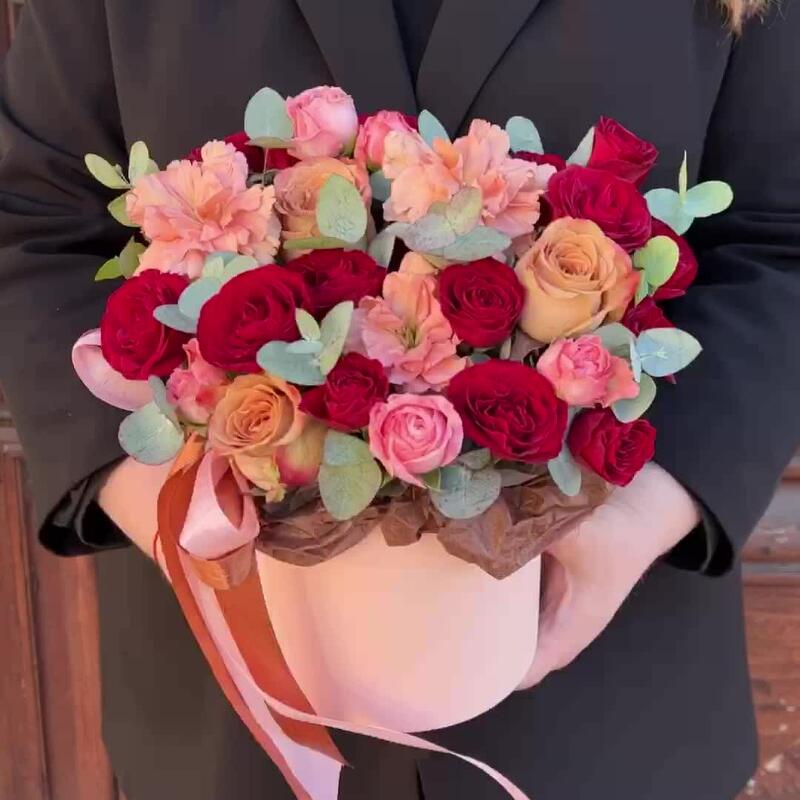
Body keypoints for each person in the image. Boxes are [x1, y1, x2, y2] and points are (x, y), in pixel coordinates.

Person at [1, 0, 798, 798]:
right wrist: (183, 518)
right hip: (238, 723)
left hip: (604, 720)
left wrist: (642, 515)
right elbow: (36, 227)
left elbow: (781, 238)